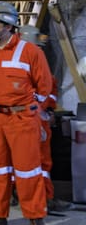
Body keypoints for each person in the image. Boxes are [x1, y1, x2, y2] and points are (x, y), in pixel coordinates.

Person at [0, 2, 54, 225]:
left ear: (9, 27)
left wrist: (30, 110)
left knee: (28, 171)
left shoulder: (30, 52)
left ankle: (36, 219)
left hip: (21, 118)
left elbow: (44, 87)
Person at [18, 25, 73, 213]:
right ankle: (21, 197)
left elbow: (51, 89)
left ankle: (45, 197)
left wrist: (48, 111)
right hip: (23, 119)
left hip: (39, 119)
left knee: (43, 163)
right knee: (21, 162)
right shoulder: (20, 65)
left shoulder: (39, 63)